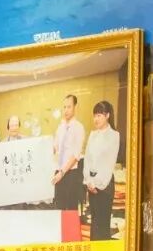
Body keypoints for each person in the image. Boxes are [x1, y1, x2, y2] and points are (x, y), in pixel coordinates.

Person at [84, 99, 121, 241]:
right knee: (94, 223)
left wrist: (96, 183)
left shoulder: (114, 136)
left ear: (107, 116)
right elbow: (87, 159)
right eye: (94, 115)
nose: (96, 119)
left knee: (103, 223)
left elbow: (108, 164)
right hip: (91, 184)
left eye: (99, 115)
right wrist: (88, 181)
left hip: (104, 185)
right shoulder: (93, 135)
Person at [52, 93, 85, 238]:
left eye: (69, 107)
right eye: (64, 107)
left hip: (71, 174)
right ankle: (60, 239)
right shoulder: (60, 127)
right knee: (59, 208)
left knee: (70, 209)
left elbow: (76, 155)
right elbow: (55, 148)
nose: (66, 110)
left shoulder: (79, 128)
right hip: (58, 173)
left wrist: (62, 172)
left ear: (75, 107)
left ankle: (72, 241)